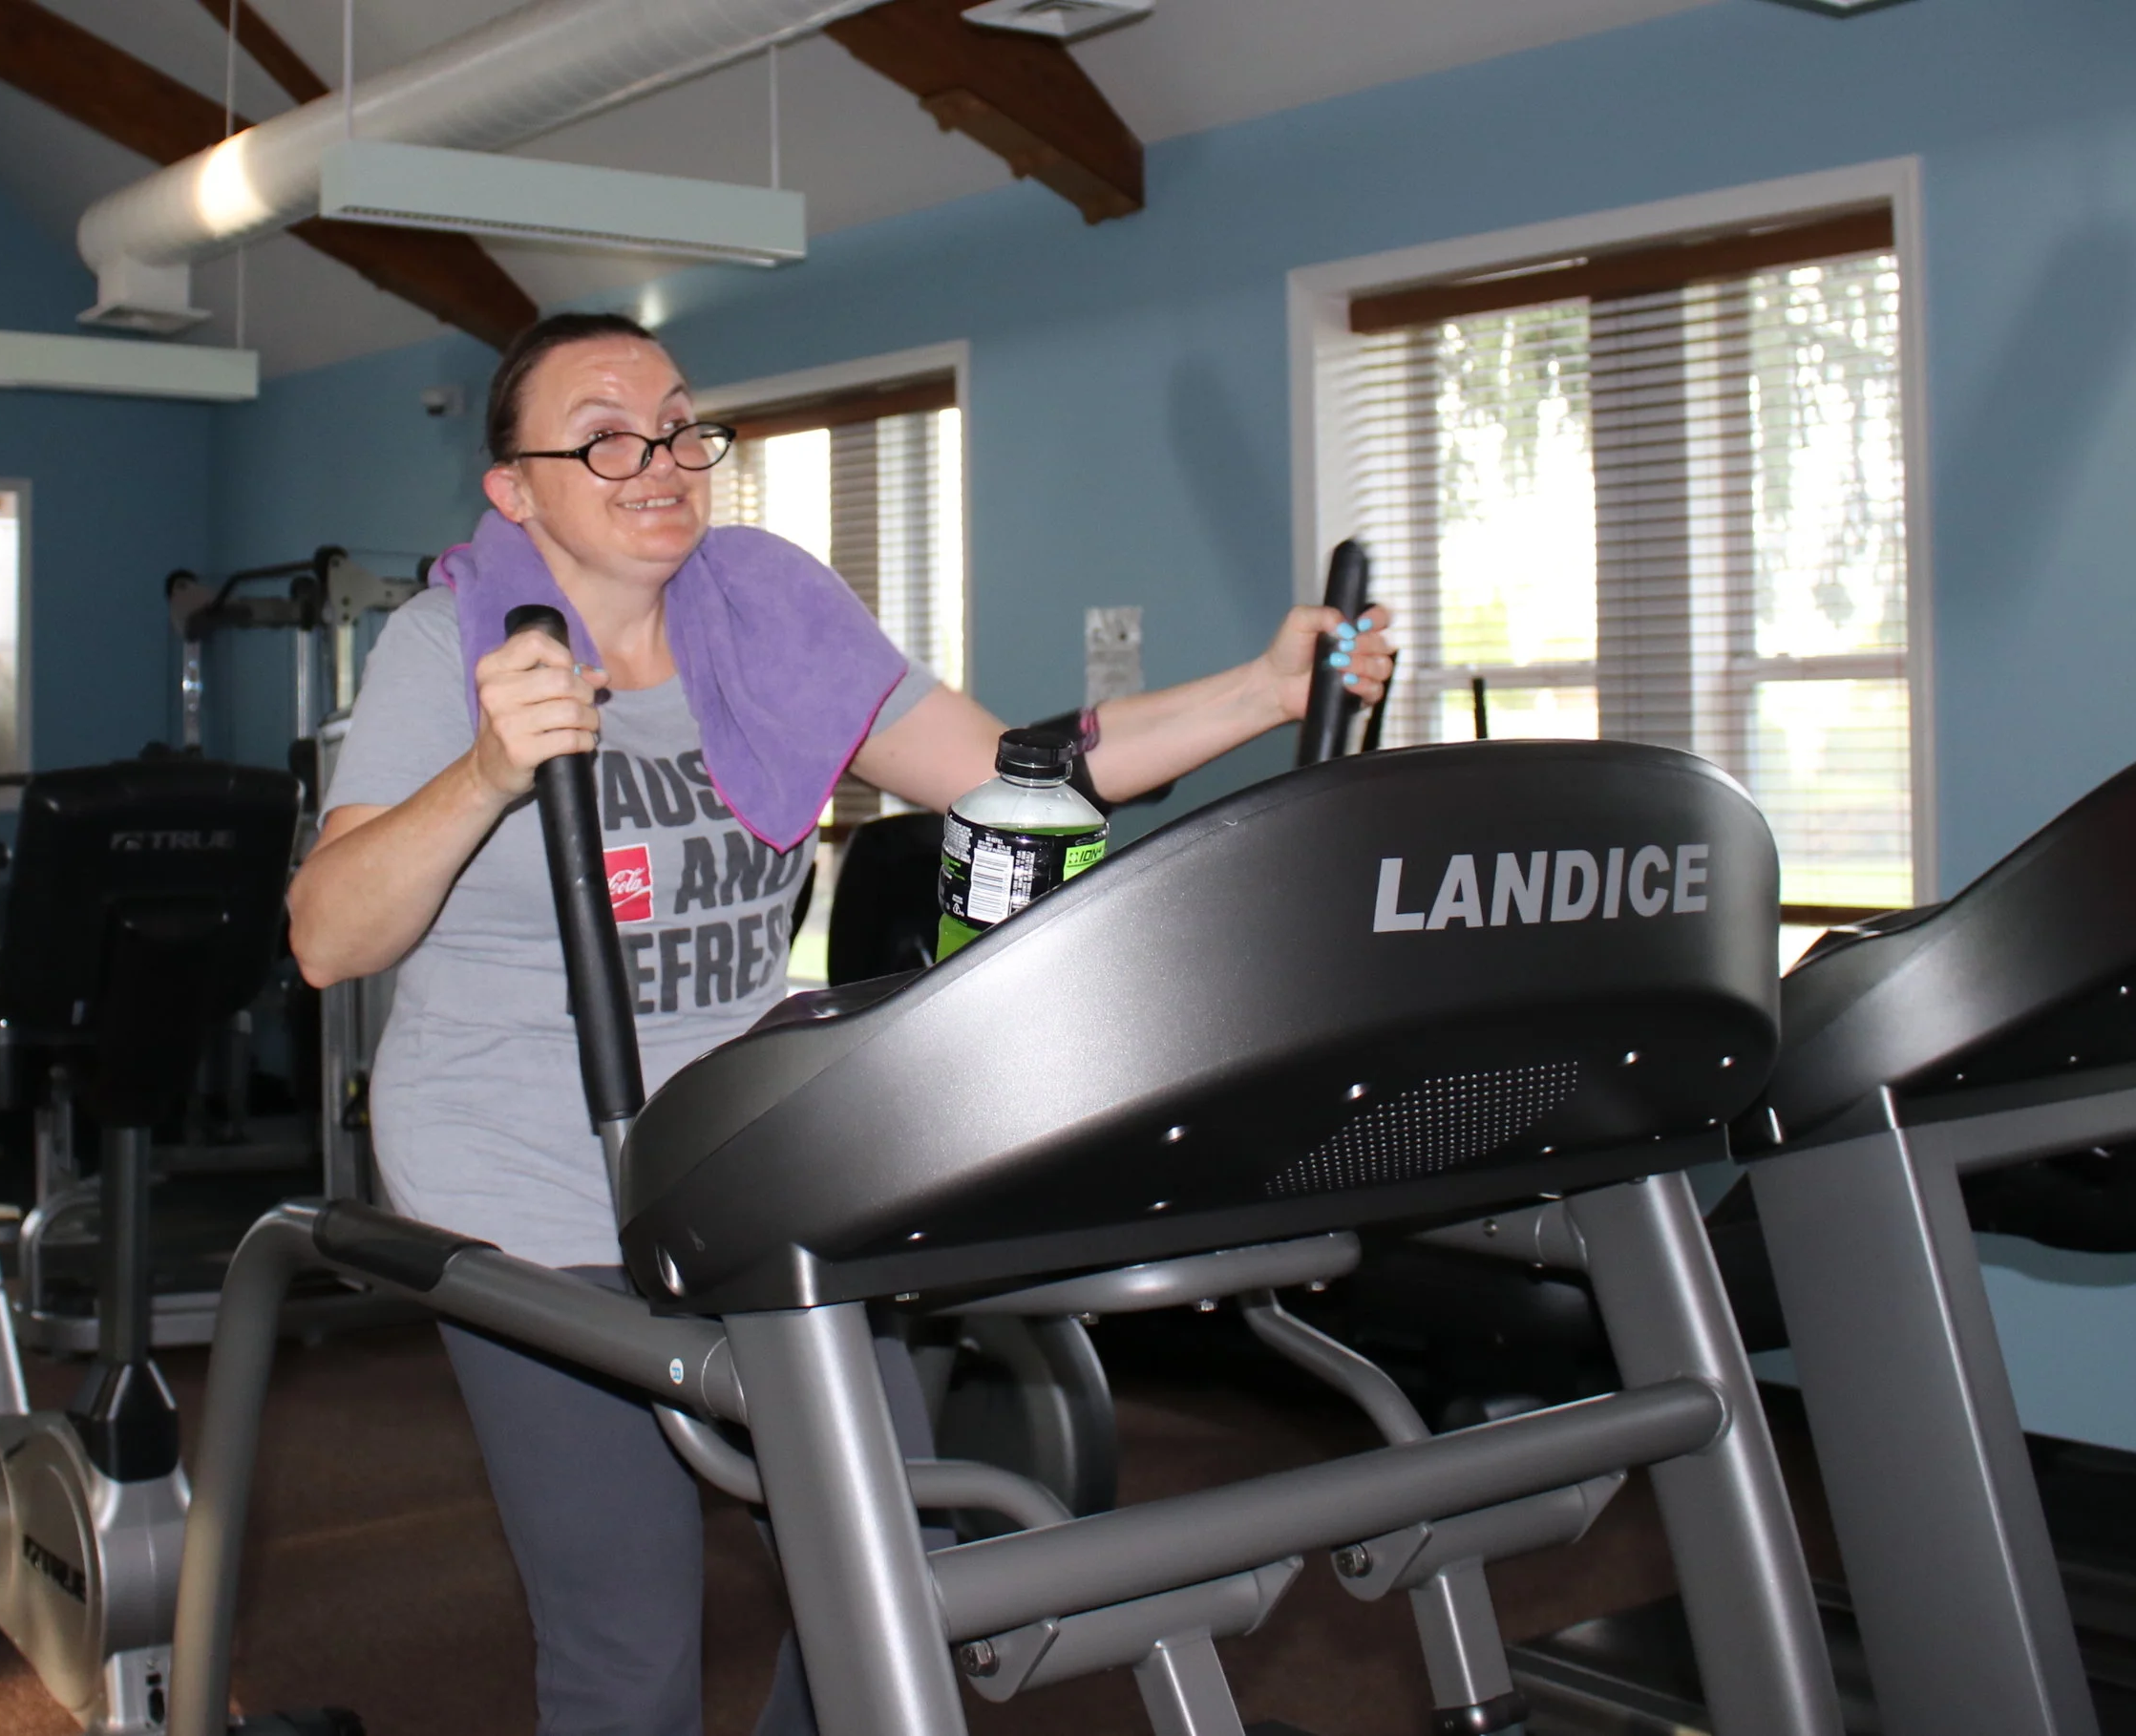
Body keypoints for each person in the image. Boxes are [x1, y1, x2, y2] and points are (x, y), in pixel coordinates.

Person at [286, 310, 1395, 1736]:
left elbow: (1012, 774)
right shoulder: (448, 645)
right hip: (527, 1192)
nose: (662, 459)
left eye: (682, 425)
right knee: (630, 1639)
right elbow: (327, 936)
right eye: (607, 435)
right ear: (515, 487)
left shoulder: (767, 608)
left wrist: (1264, 688)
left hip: (739, 1166)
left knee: (887, 1581)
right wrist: (491, 770)